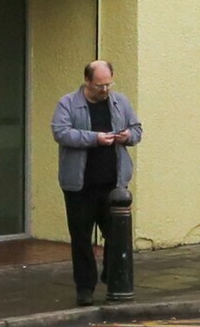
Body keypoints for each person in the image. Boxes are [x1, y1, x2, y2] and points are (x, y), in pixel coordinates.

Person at [51, 58, 142, 306]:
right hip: (79, 185)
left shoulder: (119, 101)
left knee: (116, 236)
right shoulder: (68, 103)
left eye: (108, 85)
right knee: (81, 239)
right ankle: (85, 288)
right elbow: (60, 132)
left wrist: (127, 136)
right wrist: (95, 139)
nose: (105, 90)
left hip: (113, 184)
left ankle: (110, 275)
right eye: (100, 85)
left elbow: (137, 129)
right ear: (87, 81)